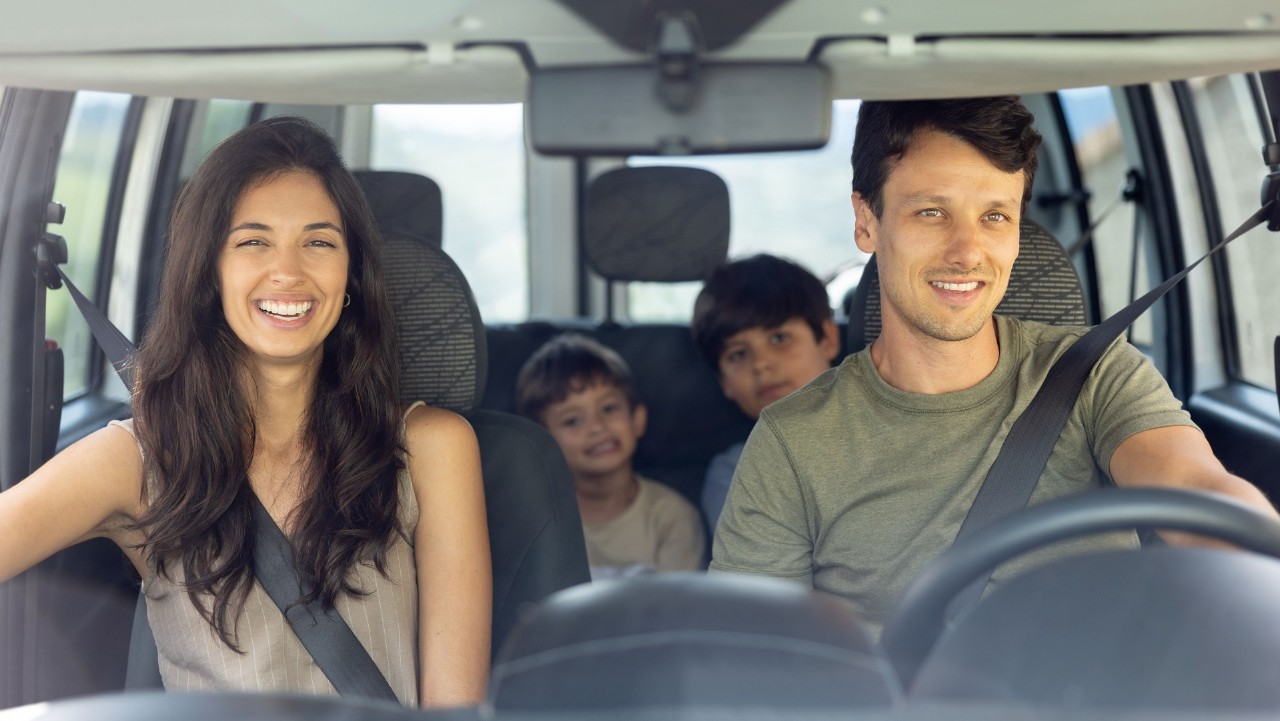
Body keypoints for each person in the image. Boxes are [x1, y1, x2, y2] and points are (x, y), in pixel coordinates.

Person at [709, 96, 1277, 637]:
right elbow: (753, 655)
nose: (967, 251)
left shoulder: (1098, 376)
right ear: (866, 222)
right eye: (932, 212)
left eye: (995, 216)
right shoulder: (792, 441)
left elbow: (1197, 491)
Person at [0, 117, 491, 707]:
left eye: (318, 242)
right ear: (209, 270)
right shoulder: (136, 458)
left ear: (351, 274)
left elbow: (454, 710)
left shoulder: (432, 447)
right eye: (253, 240)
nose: (288, 271)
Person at [515, 334, 705, 580]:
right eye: (572, 420)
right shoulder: (540, 524)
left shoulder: (671, 517)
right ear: (545, 442)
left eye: (608, 409)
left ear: (637, 419)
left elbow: (680, 611)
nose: (596, 427)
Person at [690, 254, 840, 531]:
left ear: (827, 340)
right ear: (725, 382)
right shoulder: (734, 473)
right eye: (738, 354)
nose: (760, 364)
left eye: (779, 338)